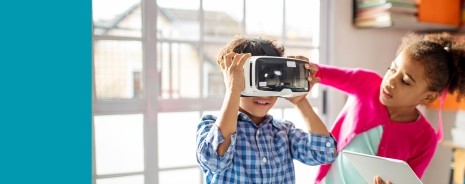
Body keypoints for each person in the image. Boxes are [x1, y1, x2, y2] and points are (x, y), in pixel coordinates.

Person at [309, 32, 465, 184]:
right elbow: (316, 71)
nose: (390, 81)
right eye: (392, 69)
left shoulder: (425, 139)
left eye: (405, 81)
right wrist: (302, 67)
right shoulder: (366, 83)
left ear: (428, 97)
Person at [196, 35, 337, 183]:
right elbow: (215, 160)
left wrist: (300, 101)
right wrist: (233, 90)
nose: (265, 95)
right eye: (255, 81)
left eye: (272, 81)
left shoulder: (283, 131)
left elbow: (325, 153)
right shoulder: (211, 125)